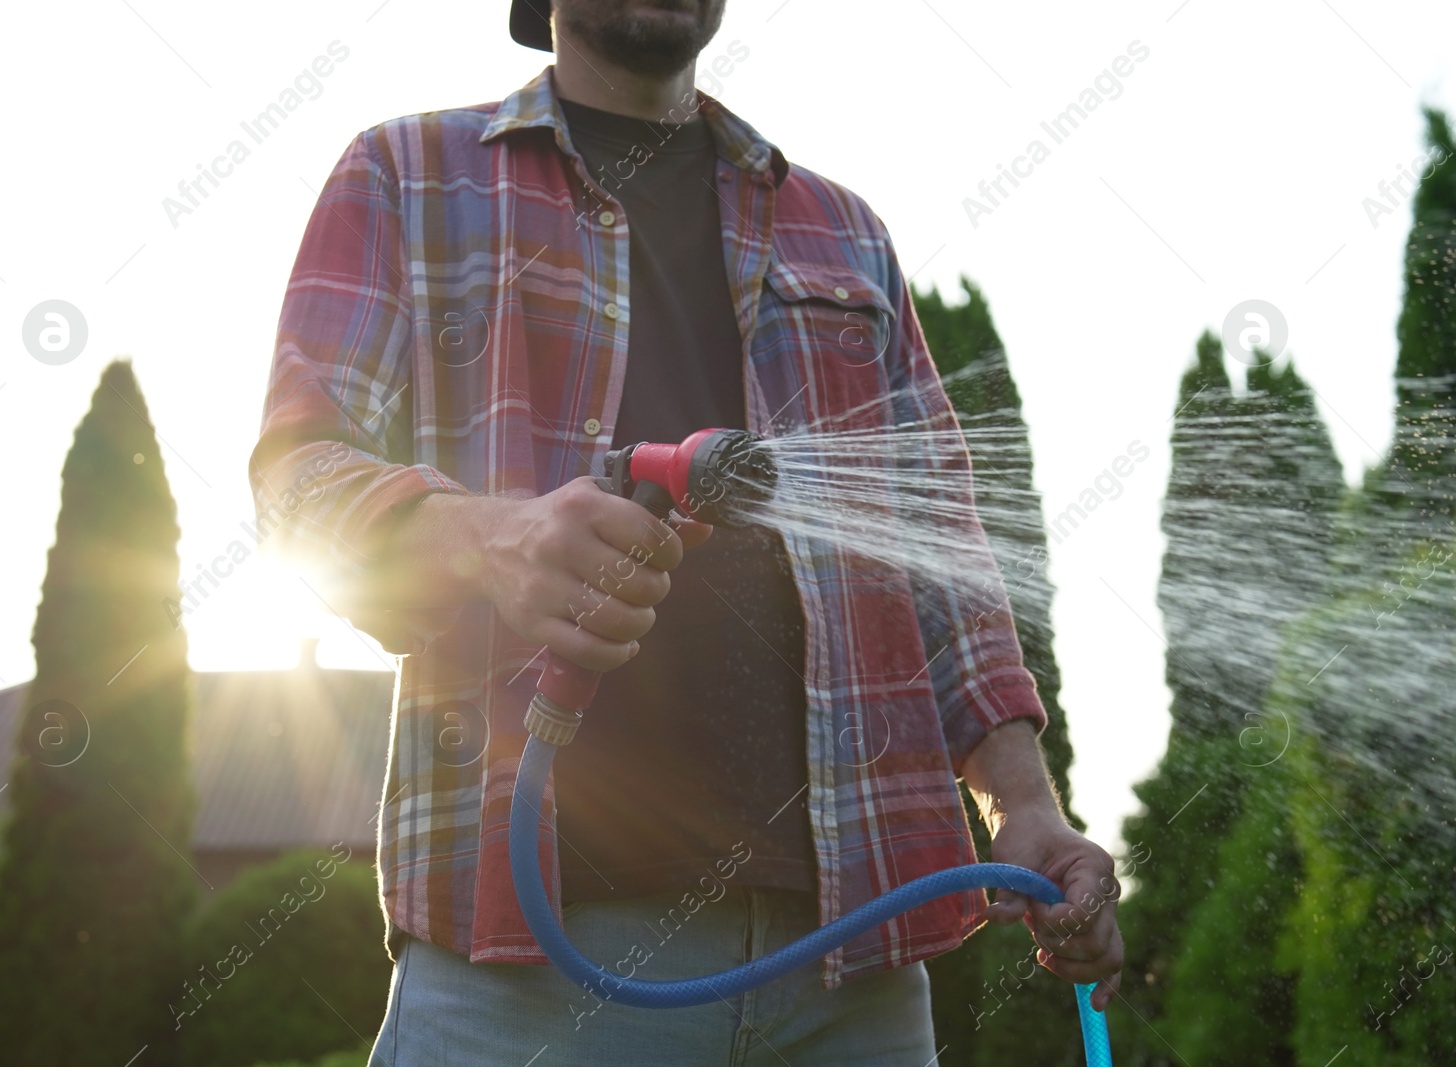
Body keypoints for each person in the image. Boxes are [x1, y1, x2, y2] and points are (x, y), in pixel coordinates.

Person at [249, 0, 1123, 1062]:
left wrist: (1022, 802)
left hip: (851, 978)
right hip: (530, 977)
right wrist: (487, 538)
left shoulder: (841, 231)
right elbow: (297, 482)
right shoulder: (409, 176)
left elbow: (938, 548)